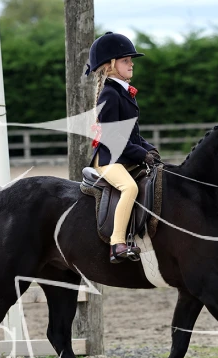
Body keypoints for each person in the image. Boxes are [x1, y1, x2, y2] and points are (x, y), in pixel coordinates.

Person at [85, 32, 161, 263]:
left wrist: (150, 149)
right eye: (125, 60)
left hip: (124, 156)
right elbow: (113, 137)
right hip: (109, 159)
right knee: (129, 188)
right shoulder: (110, 94)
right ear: (110, 65)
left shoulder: (123, 92)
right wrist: (141, 154)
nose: (131, 64)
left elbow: (132, 134)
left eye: (130, 60)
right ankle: (117, 243)